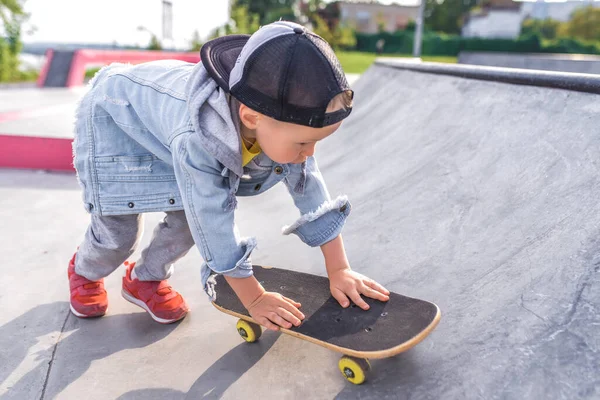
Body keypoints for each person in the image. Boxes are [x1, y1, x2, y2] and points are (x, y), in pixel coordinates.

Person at [68, 21, 390, 329]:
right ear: (251, 118)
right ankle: (85, 271)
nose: (310, 153)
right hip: (115, 119)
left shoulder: (281, 119)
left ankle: (144, 279)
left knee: (185, 225)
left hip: (167, 131)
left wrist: (340, 269)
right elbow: (213, 221)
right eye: (304, 142)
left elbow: (311, 191)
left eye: (315, 141)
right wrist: (255, 299)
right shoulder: (202, 137)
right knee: (119, 233)